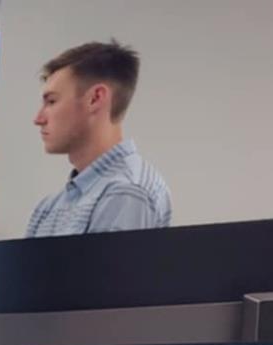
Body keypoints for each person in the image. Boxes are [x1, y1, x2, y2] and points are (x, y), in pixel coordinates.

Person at [26, 40, 171, 237]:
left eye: (52, 101)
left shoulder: (127, 192)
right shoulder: (47, 209)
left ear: (95, 98)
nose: (38, 119)